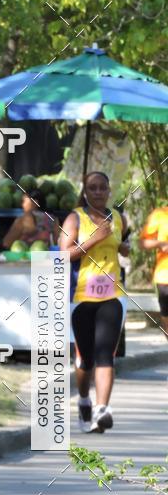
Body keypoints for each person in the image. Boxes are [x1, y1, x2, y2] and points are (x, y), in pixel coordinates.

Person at [60, 171, 130, 433]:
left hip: (113, 296)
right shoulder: (74, 218)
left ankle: (102, 409)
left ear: (109, 191)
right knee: (85, 358)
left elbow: (124, 244)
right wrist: (93, 239)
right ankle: (84, 399)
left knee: (105, 353)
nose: (98, 192)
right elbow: (63, 255)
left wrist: (123, 248)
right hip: (81, 298)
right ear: (85, 191)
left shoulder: (119, 218)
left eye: (102, 187)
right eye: (93, 188)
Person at [140, 204, 168, 338]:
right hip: (165, 275)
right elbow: (143, 243)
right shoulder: (160, 214)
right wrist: (161, 244)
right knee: (166, 317)